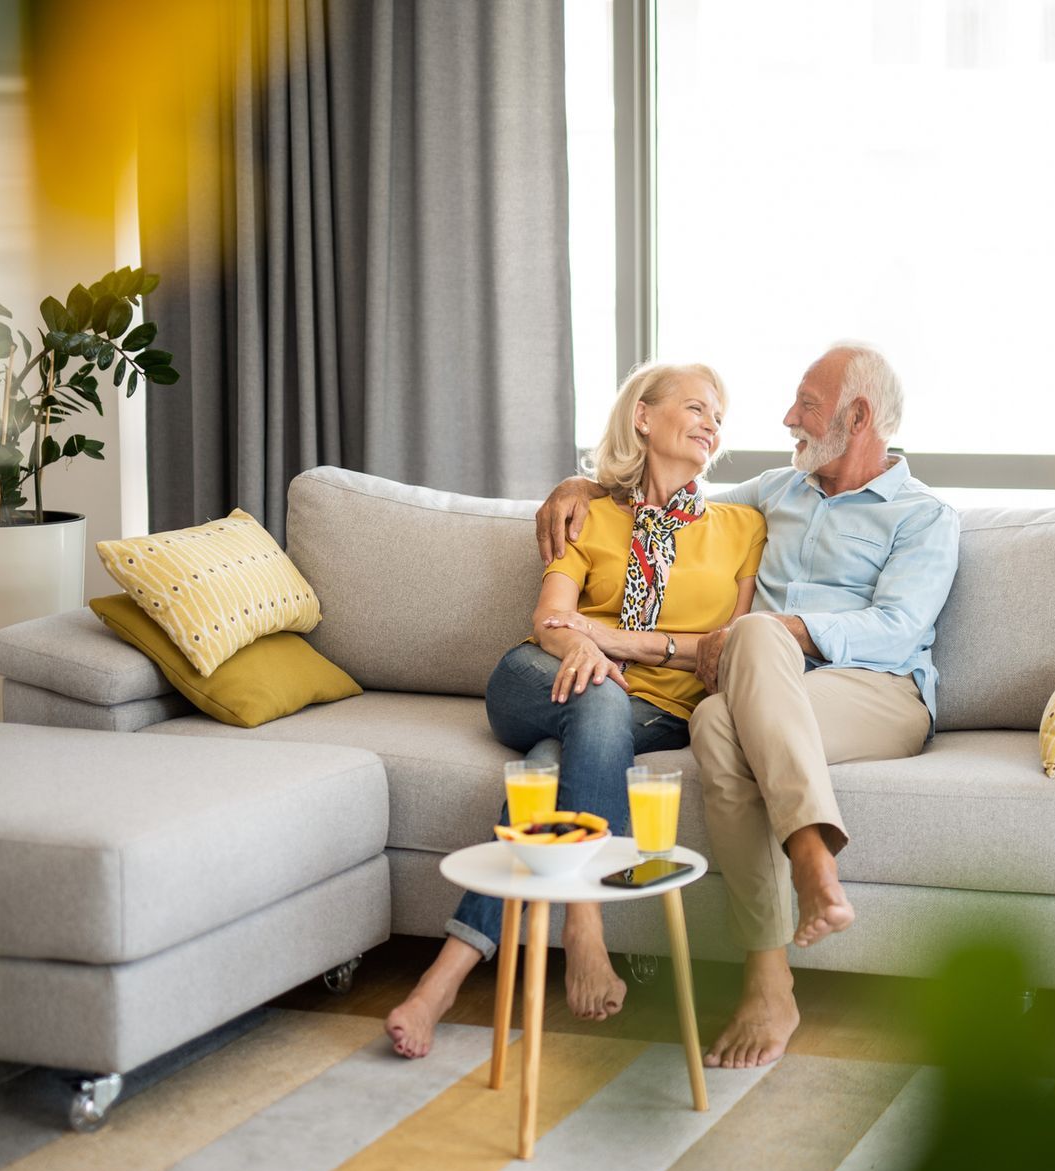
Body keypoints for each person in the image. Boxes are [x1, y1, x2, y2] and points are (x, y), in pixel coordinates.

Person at [534, 342, 959, 1069]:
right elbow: (664, 501)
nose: (788, 418)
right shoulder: (777, 490)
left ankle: (805, 866)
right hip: (767, 688)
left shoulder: (923, 517)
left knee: (755, 640)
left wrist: (783, 628)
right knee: (712, 721)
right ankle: (774, 972)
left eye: (808, 406)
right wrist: (578, 484)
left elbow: (898, 629)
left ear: (858, 418)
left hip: (874, 693)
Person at [385, 362, 767, 1058]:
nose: (714, 420)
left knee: (547, 767)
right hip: (537, 678)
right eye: (696, 405)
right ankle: (585, 922)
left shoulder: (742, 526)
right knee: (595, 690)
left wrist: (605, 644)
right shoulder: (589, 515)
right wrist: (584, 649)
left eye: (720, 414)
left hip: (651, 710)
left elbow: (718, 651)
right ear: (643, 418)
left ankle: (439, 982)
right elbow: (549, 620)